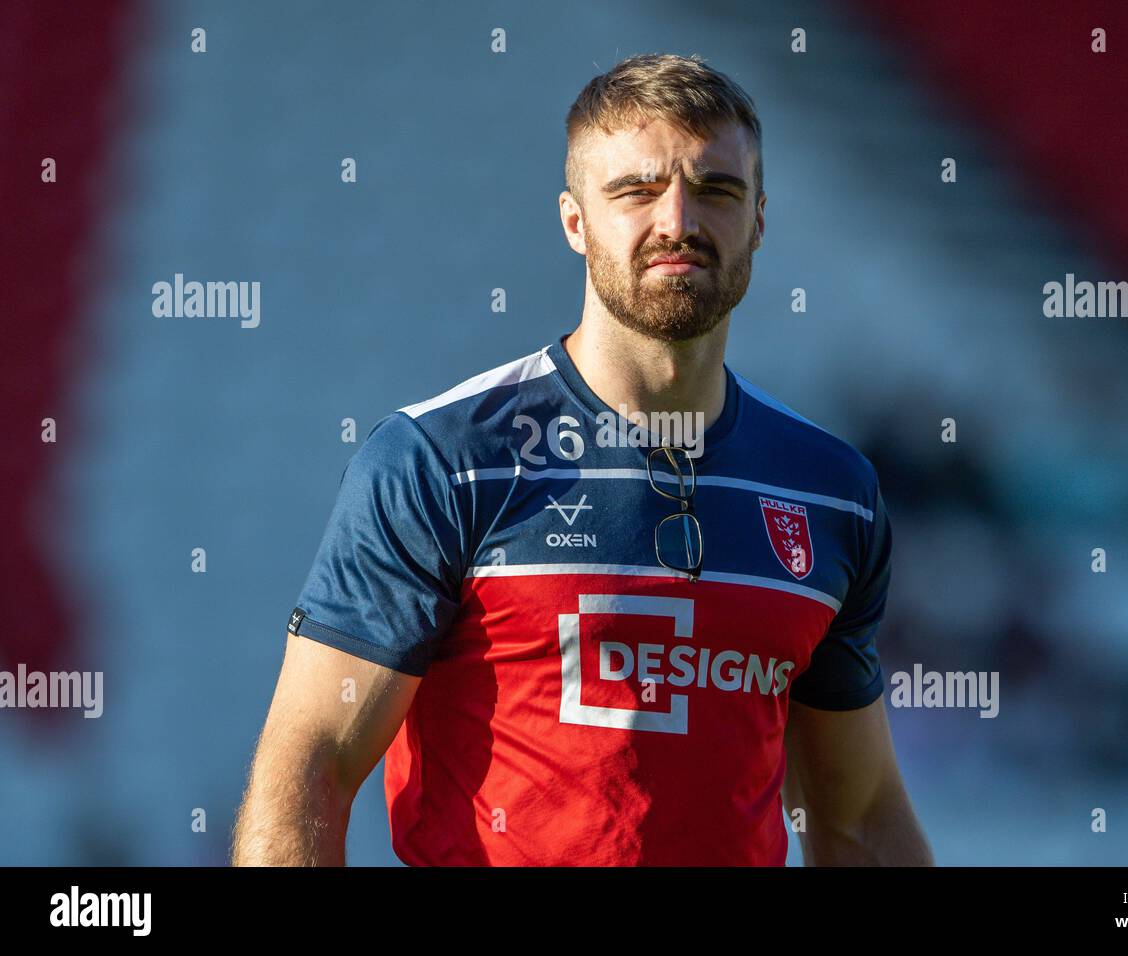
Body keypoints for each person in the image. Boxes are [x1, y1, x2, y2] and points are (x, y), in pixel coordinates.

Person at [232, 52, 932, 866]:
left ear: (760, 220)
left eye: (716, 189)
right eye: (636, 191)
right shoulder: (443, 460)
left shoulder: (831, 493)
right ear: (575, 221)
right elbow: (310, 758)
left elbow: (859, 816)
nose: (678, 220)